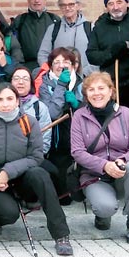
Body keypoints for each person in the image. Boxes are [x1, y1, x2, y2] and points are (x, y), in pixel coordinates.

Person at [0, 83, 73, 256]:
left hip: (22, 176)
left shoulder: (29, 122)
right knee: (9, 215)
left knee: (41, 174)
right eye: (0, 99)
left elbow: (36, 157)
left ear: (17, 101)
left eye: (10, 99)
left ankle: (61, 234)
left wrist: (8, 171)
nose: (5, 104)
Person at [70, 72, 129, 245]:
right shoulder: (79, 117)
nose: (97, 93)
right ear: (86, 94)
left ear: (111, 91)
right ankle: (102, 215)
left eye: (101, 88)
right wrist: (104, 165)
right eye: (91, 89)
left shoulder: (126, 114)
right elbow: (77, 152)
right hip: (95, 175)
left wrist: (122, 161)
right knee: (105, 208)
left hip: (123, 171)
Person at [85, 0, 129, 115]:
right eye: (111, 3)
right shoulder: (99, 26)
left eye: (119, 2)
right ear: (107, 7)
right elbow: (92, 55)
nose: (116, 7)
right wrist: (111, 52)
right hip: (110, 80)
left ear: (126, 3)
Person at [39, 47, 84, 201]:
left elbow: (91, 111)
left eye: (65, 61)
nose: (61, 65)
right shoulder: (45, 85)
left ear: (73, 65)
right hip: (56, 140)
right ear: (51, 66)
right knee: (63, 197)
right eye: (56, 62)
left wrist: (77, 104)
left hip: (78, 137)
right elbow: (52, 113)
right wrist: (61, 86)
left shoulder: (81, 83)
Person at [37, 0, 96, 74]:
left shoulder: (90, 28)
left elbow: (97, 55)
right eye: (63, 5)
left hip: (85, 79)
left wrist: (86, 73)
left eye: (71, 4)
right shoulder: (53, 29)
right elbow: (43, 54)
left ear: (78, 6)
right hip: (59, 79)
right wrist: (52, 72)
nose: (67, 8)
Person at [11, 0, 60, 73]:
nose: (36, 0)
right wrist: (19, 66)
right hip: (27, 67)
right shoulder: (20, 20)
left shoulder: (54, 19)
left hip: (50, 66)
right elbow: (14, 46)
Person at [9, 66, 52, 156]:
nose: (21, 82)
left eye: (25, 79)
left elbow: (44, 142)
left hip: (32, 157)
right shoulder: (2, 104)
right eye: (16, 78)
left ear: (31, 84)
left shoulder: (40, 108)